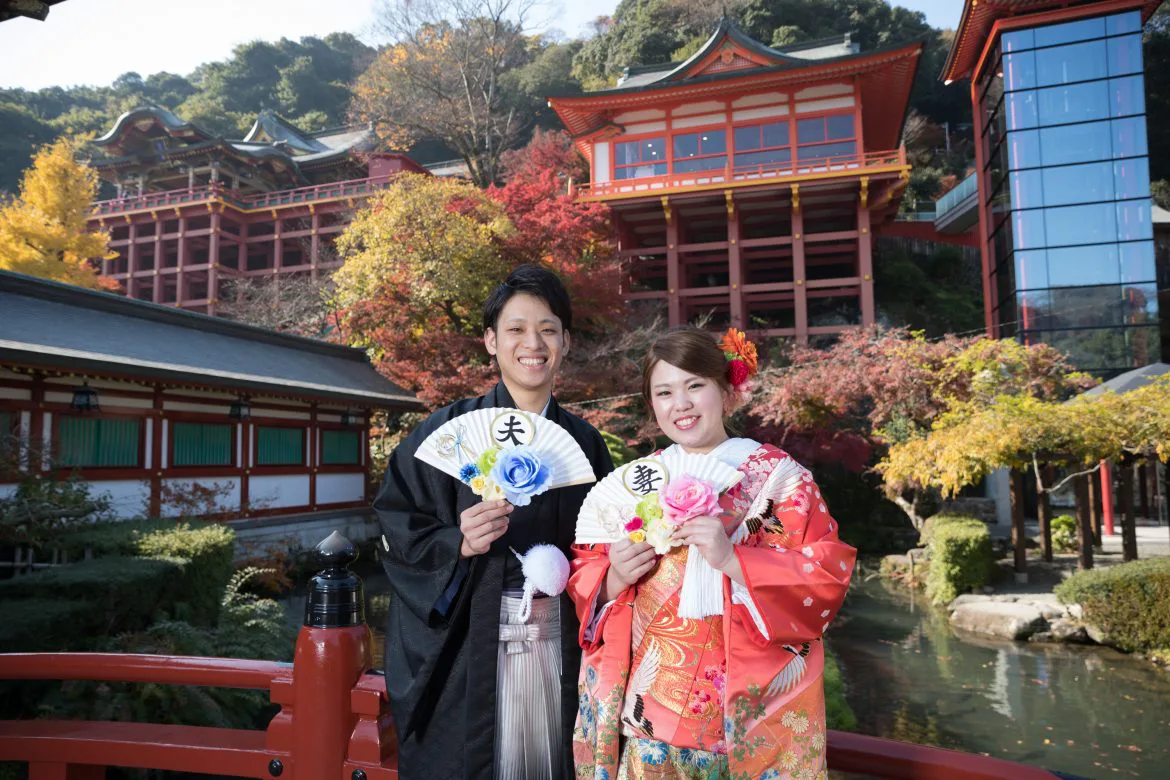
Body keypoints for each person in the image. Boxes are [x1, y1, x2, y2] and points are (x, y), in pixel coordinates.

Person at [569, 326, 856, 780]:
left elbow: (824, 576)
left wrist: (733, 559)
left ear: (727, 390)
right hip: (646, 721)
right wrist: (612, 579)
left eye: (695, 385)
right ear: (652, 406)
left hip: (743, 717)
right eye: (664, 392)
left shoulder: (781, 479)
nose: (679, 403)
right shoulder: (635, 484)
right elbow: (586, 573)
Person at [374, 264, 614, 780]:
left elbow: (607, 550)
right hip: (470, 646)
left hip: (559, 643)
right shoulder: (444, 434)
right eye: (516, 329)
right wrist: (456, 543)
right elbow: (397, 522)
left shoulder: (587, 445)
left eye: (548, 329)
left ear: (566, 342)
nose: (534, 343)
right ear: (490, 340)